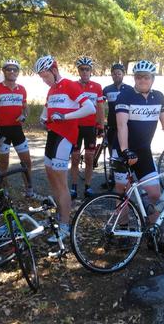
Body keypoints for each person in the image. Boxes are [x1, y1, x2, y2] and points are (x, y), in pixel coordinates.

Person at [114, 60, 164, 252]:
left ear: (152, 79)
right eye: (138, 77)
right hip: (122, 149)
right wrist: (125, 150)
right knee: (122, 192)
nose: (142, 80)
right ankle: (122, 232)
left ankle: (152, 235)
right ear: (134, 78)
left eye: (146, 77)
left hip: (143, 151)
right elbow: (121, 125)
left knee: (154, 194)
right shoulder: (125, 95)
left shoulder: (158, 97)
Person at [34, 55, 96, 242]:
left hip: (65, 138)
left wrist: (65, 117)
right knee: (52, 179)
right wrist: (43, 119)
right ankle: (60, 216)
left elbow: (90, 108)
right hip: (52, 136)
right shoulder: (52, 90)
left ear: (54, 70)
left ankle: (65, 226)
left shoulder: (69, 84)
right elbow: (46, 110)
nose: (44, 81)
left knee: (61, 184)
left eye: (45, 76)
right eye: (41, 78)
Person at [0, 59, 35, 198]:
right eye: (9, 69)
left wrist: (24, 116)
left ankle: (29, 190)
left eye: (15, 69)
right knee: (4, 164)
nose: (12, 72)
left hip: (17, 130)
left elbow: (26, 109)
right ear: (4, 71)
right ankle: (4, 190)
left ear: (18, 72)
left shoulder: (22, 89)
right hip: (2, 130)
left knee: (27, 162)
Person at [69, 56, 104, 199]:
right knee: (75, 158)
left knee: (90, 158)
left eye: (87, 69)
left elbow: (100, 108)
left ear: (91, 71)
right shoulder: (72, 85)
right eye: (82, 69)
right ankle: (74, 186)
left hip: (90, 127)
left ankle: (88, 187)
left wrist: (101, 126)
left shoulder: (97, 87)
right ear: (78, 70)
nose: (84, 72)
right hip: (75, 127)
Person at [101, 63, 131, 189]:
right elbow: (101, 106)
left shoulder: (130, 89)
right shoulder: (107, 89)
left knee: (125, 151)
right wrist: (102, 123)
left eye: (119, 73)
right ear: (111, 75)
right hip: (112, 126)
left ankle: (128, 176)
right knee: (112, 152)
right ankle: (112, 177)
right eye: (114, 73)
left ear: (123, 74)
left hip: (125, 126)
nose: (116, 75)